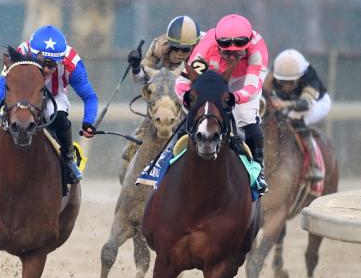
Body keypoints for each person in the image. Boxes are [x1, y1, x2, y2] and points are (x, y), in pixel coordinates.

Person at [140, 13, 270, 193]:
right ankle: (163, 162)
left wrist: (234, 99)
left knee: (245, 117)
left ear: (247, 46)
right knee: (195, 113)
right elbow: (182, 83)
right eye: (226, 52)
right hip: (214, 76)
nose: (232, 57)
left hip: (244, 80)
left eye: (237, 53)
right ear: (218, 46)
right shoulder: (206, 47)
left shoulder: (258, 47)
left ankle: (258, 170)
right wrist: (191, 103)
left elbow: (252, 87)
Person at [0, 25, 98, 185]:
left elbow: (90, 96)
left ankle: (68, 159)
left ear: (62, 61)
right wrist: (12, 92)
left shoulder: (72, 62)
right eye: (41, 63)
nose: (46, 69)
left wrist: (89, 121)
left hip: (54, 95)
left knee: (59, 118)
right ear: (31, 55)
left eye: (52, 65)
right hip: (24, 95)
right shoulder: (21, 53)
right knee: (0, 121)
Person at [121, 15, 200, 164]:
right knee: (153, 114)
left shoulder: (203, 49)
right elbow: (140, 79)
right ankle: (133, 148)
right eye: (175, 48)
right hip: (165, 93)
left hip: (190, 93)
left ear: (194, 46)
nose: (180, 54)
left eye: (185, 50)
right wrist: (136, 66)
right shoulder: (159, 45)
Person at [268, 48, 330, 181]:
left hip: (318, 103)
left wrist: (284, 105)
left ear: (300, 76)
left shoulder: (310, 77)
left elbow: (305, 104)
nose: (286, 86)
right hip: (288, 102)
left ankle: (315, 165)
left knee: (296, 117)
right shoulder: (272, 74)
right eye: (283, 82)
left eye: (291, 82)